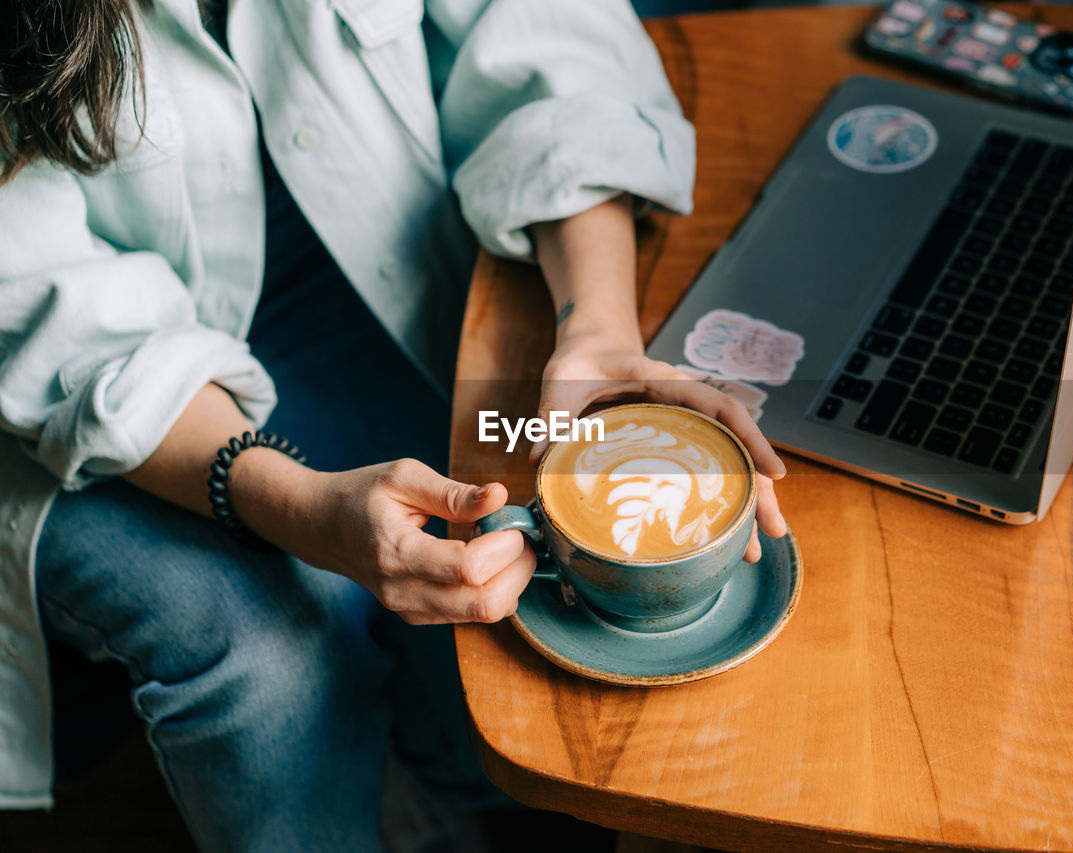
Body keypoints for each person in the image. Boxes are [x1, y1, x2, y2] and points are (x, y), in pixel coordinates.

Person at [0, 0, 787, 849]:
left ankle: (429, 787)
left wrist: (595, 326)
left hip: (370, 268)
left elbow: (546, 31)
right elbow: (45, 301)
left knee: (496, 692)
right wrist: (298, 506)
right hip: (74, 370)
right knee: (272, 646)